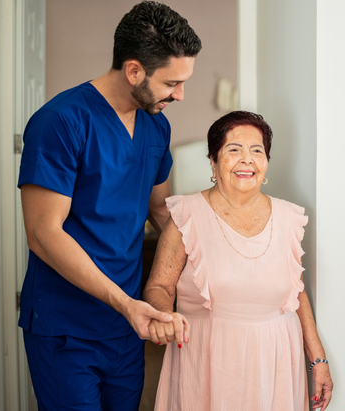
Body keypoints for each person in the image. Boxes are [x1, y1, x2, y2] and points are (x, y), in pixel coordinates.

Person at [17, 1, 201, 411]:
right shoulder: (60, 122)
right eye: (172, 83)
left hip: (126, 327)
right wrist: (126, 303)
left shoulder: (156, 123)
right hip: (67, 329)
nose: (181, 95)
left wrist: (217, 260)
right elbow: (43, 234)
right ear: (134, 70)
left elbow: (160, 211)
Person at [143, 111, 334, 410]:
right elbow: (159, 286)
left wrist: (318, 359)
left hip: (277, 362)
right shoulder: (186, 214)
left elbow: (295, 292)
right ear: (214, 161)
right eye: (234, 150)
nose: (247, 159)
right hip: (207, 361)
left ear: (266, 163)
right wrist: (166, 316)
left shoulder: (288, 217)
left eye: (257, 151)